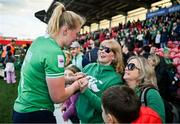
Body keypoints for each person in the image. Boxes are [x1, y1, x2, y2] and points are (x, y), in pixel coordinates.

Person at [12, 2, 85, 123]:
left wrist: (69, 79)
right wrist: (76, 85)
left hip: (21, 110)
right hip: (36, 114)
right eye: (76, 33)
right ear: (66, 30)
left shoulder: (40, 41)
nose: (76, 38)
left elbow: (40, 76)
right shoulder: (55, 52)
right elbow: (58, 97)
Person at [76, 39, 124, 123]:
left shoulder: (116, 79)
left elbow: (106, 107)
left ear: (114, 56)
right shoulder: (89, 67)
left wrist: (85, 91)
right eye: (101, 49)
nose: (102, 51)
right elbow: (76, 89)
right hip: (81, 120)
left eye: (107, 50)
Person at [123, 56, 165, 122]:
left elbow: (158, 121)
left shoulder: (151, 93)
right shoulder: (123, 89)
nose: (126, 68)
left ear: (142, 72)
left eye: (131, 66)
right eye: (126, 65)